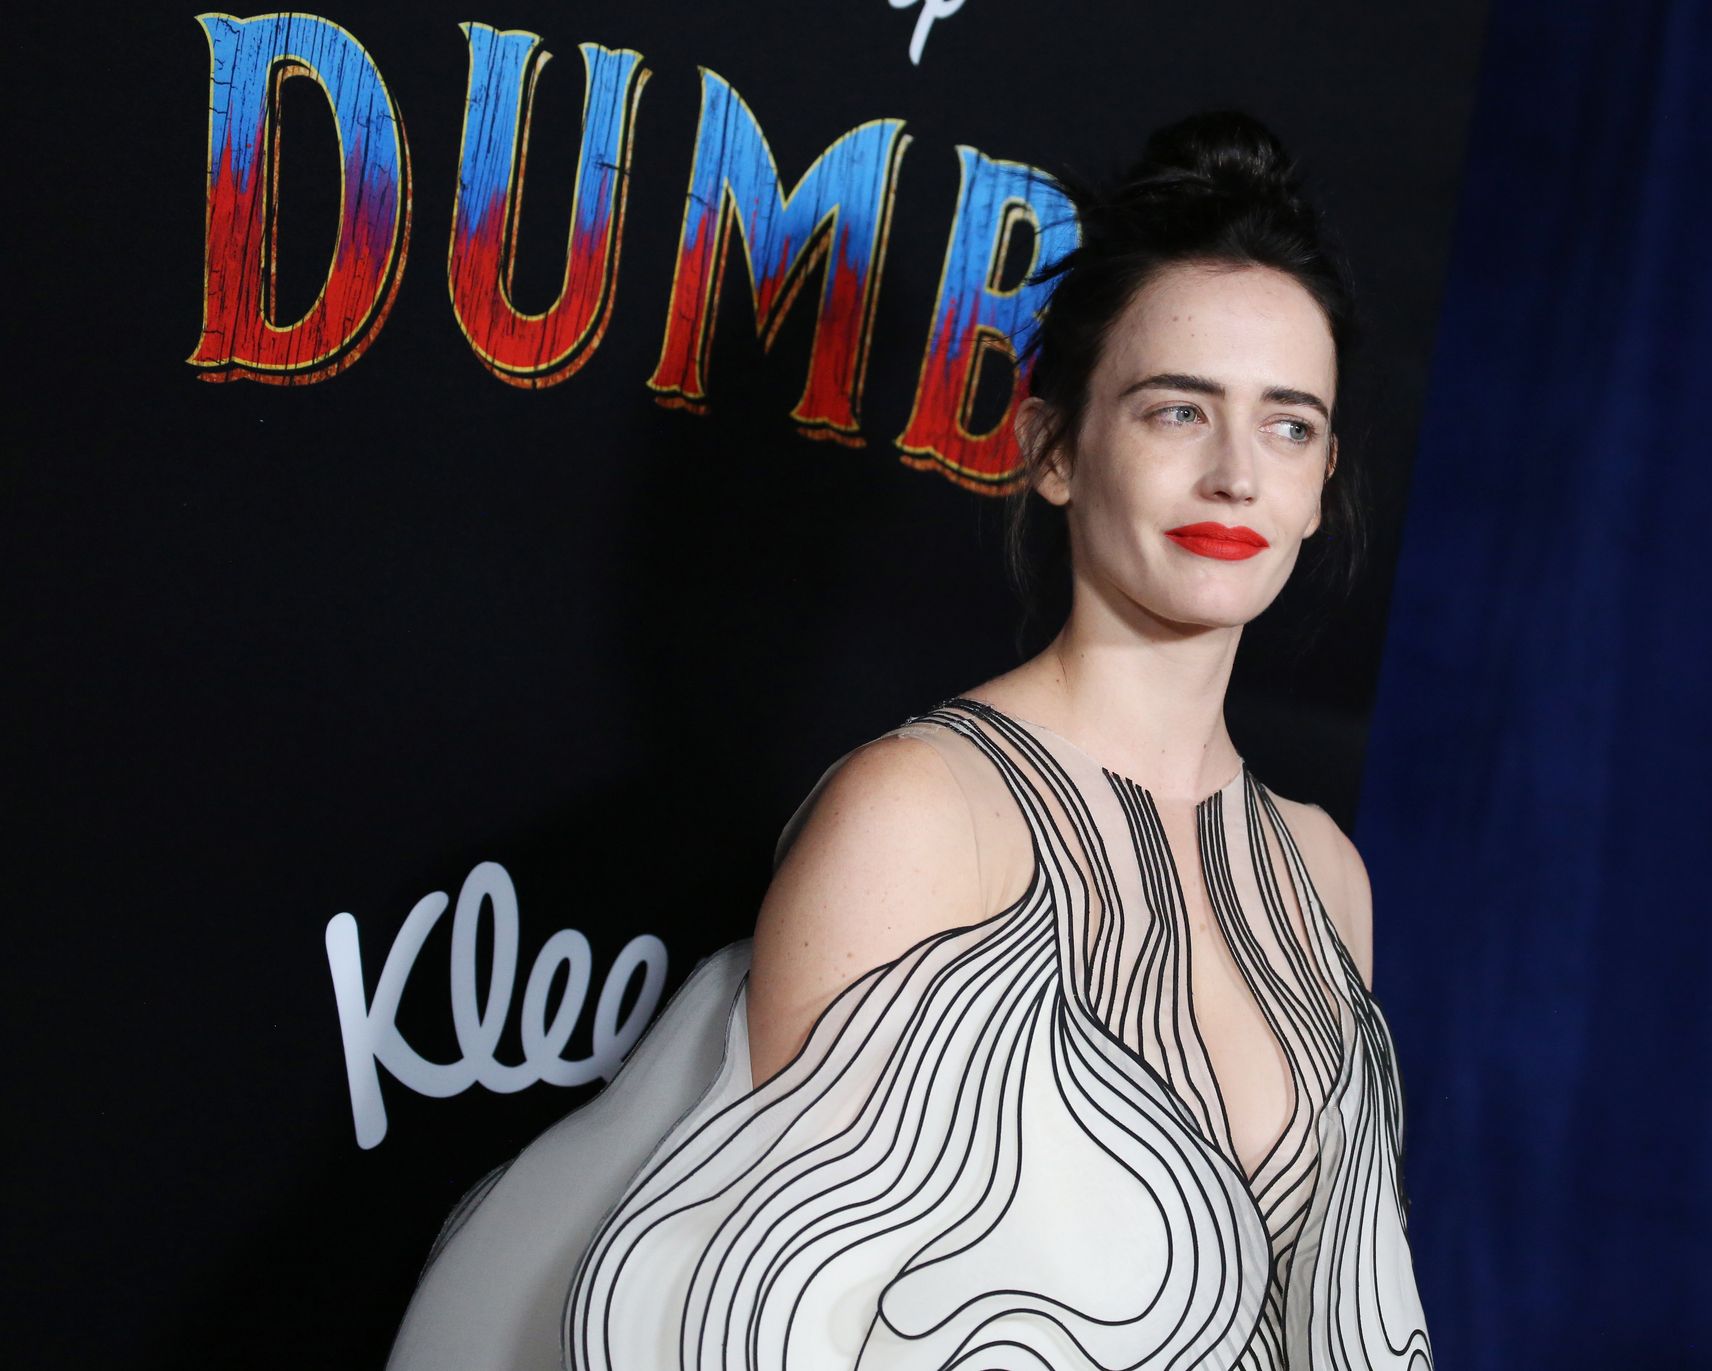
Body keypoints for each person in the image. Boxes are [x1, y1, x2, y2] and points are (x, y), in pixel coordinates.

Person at [387, 110, 1431, 1371]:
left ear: (1323, 484)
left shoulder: (1325, 876)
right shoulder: (920, 815)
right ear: (1053, 450)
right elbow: (754, 1325)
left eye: (1288, 425)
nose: (1236, 477)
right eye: (1176, 411)